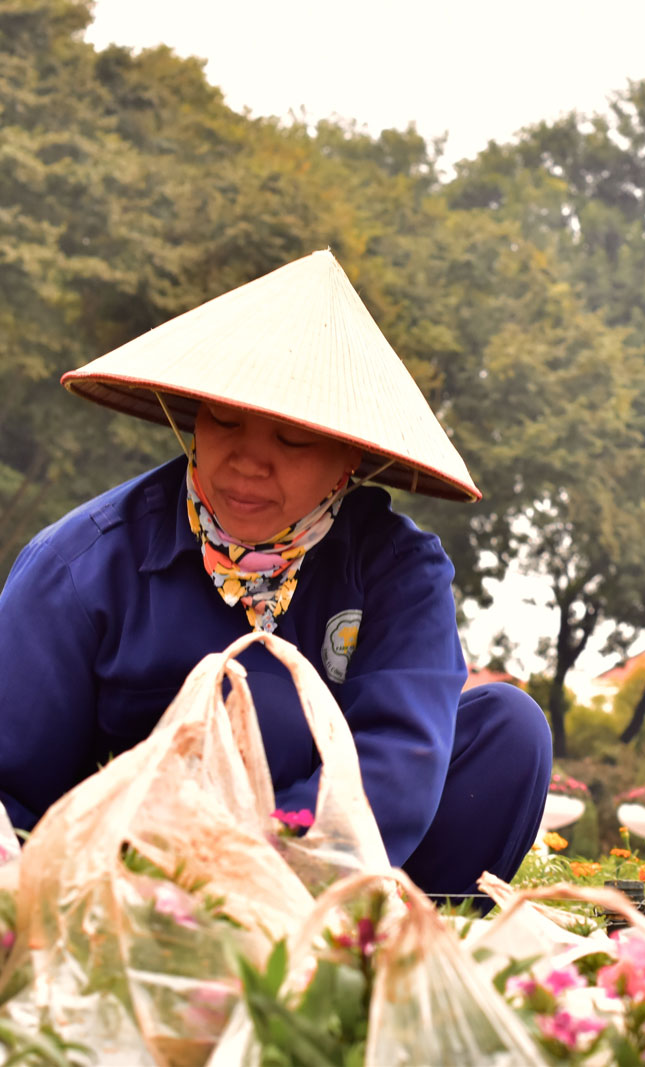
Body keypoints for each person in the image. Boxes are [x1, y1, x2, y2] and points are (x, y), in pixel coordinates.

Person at [0, 250, 552, 898]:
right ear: (192, 421)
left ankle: (371, 967)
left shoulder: (398, 570)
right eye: (225, 421)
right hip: (128, 885)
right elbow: (15, 788)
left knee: (510, 731)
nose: (248, 461)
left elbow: (400, 759)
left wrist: (259, 865)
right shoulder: (80, 568)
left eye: (291, 439)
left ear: (349, 460)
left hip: (329, 884)